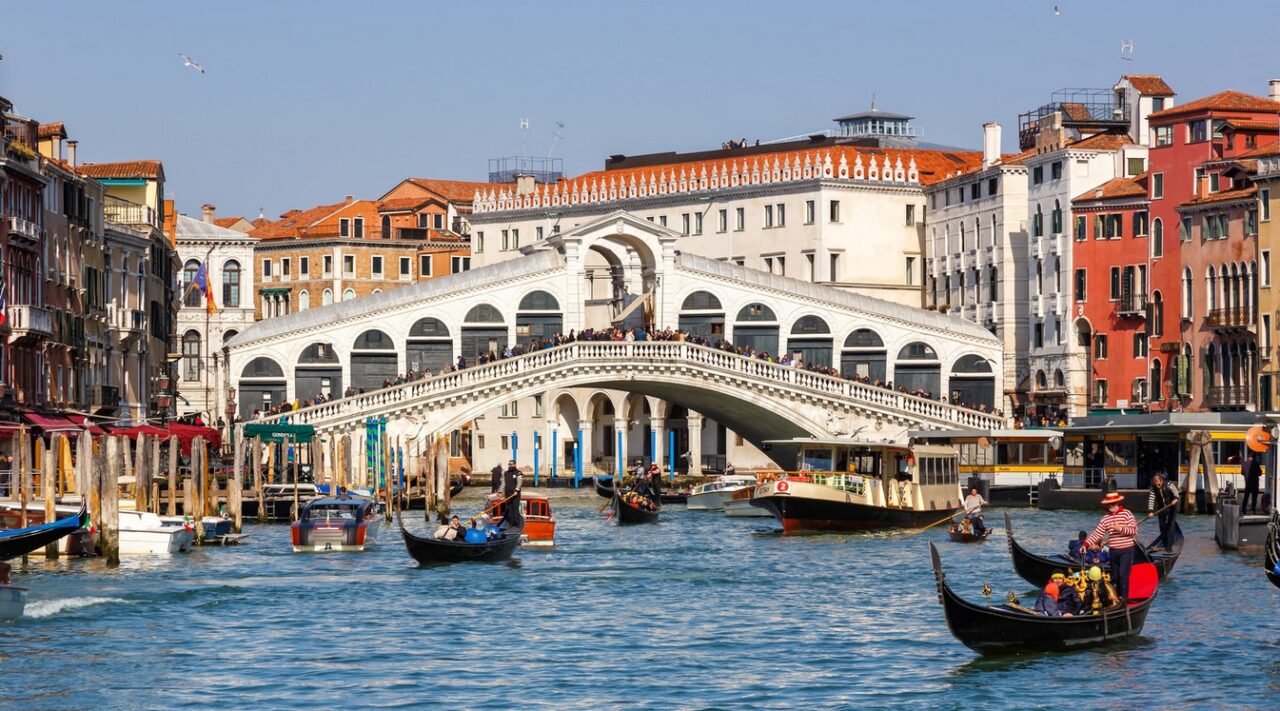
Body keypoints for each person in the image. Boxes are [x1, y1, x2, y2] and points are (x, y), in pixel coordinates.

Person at [1084, 492, 1138, 601]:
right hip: (1113, 551)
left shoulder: (1127, 514)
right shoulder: (1105, 519)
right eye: (1108, 504)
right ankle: (1118, 598)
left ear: (1117, 503)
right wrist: (1086, 544)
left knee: (1123, 576)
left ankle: (1124, 599)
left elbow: (1134, 530)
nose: (1110, 506)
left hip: (1126, 550)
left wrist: (1120, 529)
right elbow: (1097, 533)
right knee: (1116, 577)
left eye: (1112, 504)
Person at [1146, 471, 1180, 551]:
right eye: (1155, 484)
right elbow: (1151, 499)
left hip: (1172, 506)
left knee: (1170, 526)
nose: (1157, 486)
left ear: (1161, 480)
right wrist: (1151, 511)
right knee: (1162, 527)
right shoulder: (1153, 488)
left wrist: (1175, 499)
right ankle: (1165, 544)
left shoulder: (1169, 484)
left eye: (1158, 484)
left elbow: (1176, 493)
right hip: (1161, 508)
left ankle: (1169, 547)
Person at [501, 459, 523, 529]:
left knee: (515, 509)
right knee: (509, 510)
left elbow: (519, 483)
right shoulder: (506, 473)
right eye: (509, 464)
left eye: (511, 464)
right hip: (508, 494)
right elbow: (503, 483)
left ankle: (516, 525)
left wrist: (516, 490)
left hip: (515, 495)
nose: (510, 465)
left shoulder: (518, 473)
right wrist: (500, 491)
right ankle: (511, 524)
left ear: (514, 465)